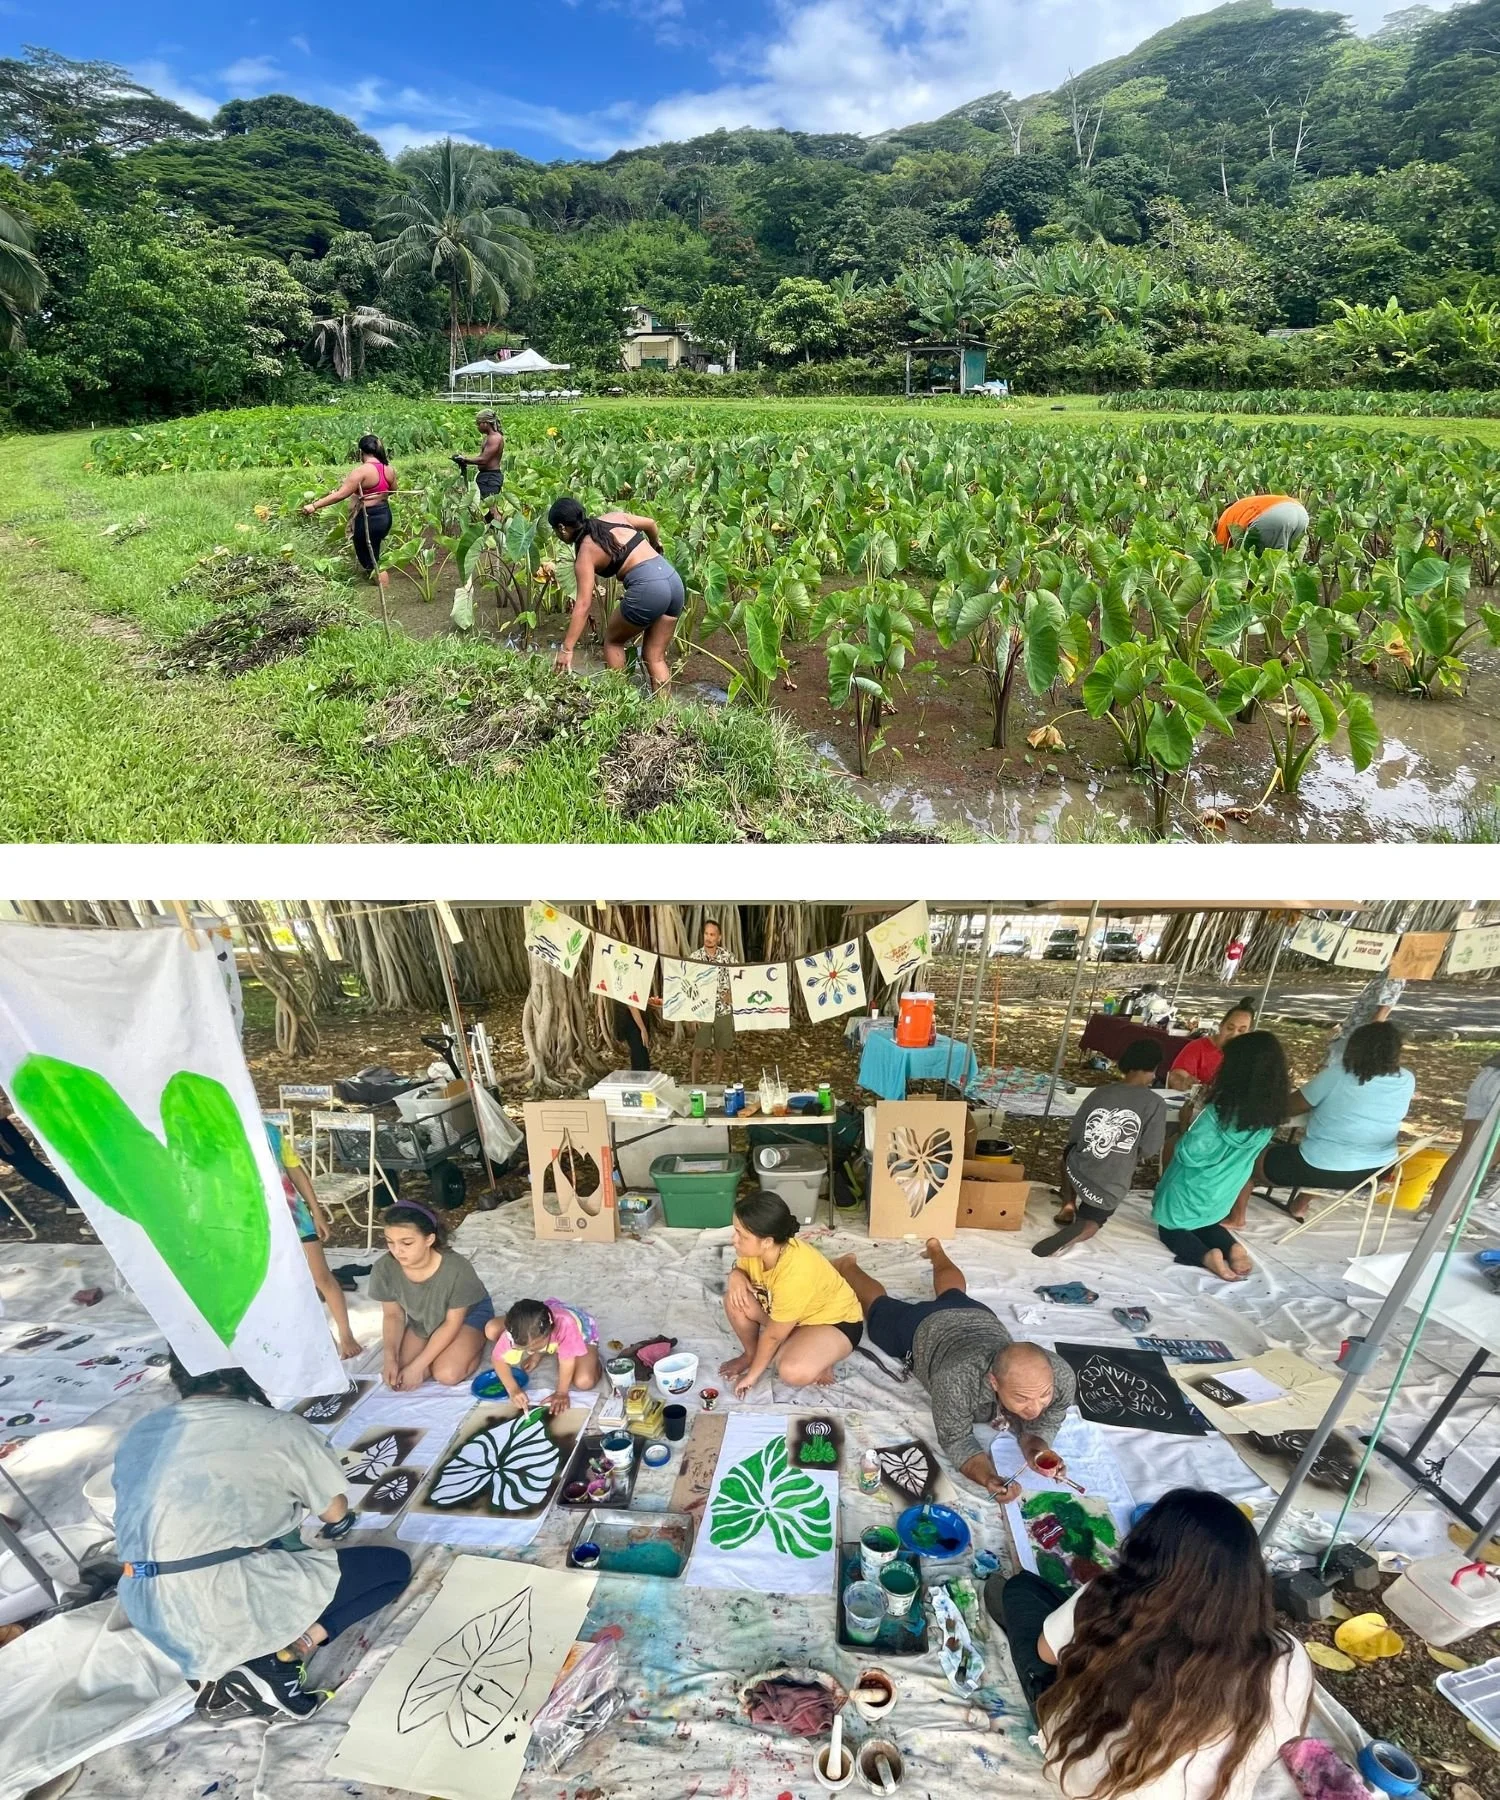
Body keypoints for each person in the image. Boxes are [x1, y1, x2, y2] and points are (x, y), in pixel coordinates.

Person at [113, 1356, 412, 1721]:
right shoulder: (277, 1426)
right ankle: (279, 1660)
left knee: (262, 1547)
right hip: (220, 1597)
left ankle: (220, 1667)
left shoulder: (142, 1431)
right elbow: (334, 1513)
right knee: (391, 1567)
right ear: (248, 1373)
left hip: (146, 1606)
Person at [988, 1487, 1313, 1800]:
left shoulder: (1109, 1601)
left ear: (1146, 1555)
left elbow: (1045, 1654)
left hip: (1088, 1778)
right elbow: (1278, 1743)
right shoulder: (1289, 1655)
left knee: (1021, 1591)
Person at [834, 1239, 1075, 1500]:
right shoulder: (957, 1380)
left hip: (977, 1316)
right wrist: (988, 1477)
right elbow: (957, 1439)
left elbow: (1045, 1421)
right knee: (877, 1306)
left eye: (1044, 1395)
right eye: (1022, 1398)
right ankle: (847, 1266)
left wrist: (1037, 1449)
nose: (1035, 1409)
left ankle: (936, 1251)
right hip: (922, 1327)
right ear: (993, 1381)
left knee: (955, 1295)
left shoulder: (1061, 1376)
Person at [1152, 1031, 1290, 1282]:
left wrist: (1184, 1127)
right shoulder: (1269, 1114)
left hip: (1194, 1184)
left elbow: (1190, 1154)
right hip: (1228, 1186)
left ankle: (1208, 1257)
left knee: (1170, 1228)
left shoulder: (1218, 1113)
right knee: (1205, 1221)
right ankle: (1233, 1249)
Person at [1245, 1021, 1415, 1223]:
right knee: (1333, 1153)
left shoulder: (1338, 1075)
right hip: (1378, 1171)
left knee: (1249, 1159)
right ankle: (1301, 1204)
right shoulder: (1407, 1079)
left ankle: (1236, 1216)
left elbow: (1289, 1107)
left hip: (1323, 1168)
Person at [720, 1193, 864, 1395]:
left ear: (767, 1242)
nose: (733, 1240)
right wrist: (735, 1275)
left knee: (792, 1371)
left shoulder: (796, 1272)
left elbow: (772, 1337)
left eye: (741, 1235)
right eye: (735, 1231)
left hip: (834, 1322)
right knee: (734, 1299)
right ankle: (752, 1354)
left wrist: (752, 1377)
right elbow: (742, 1271)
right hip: (792, 1317)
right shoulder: (756, 1252)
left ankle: (823, 1355)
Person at [1036, 1040, 1168, 1258]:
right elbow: (1149, 1149)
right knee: (1095, 1219)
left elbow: (1076, 1135)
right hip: (1111, 1182)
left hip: (1079, 1171)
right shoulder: (1155, 1103)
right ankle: (1080, 1230)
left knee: (1069, 1152)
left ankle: (1068, 1203)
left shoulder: (1100, 1093)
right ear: (1154, 1069)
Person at [548, 495, 686, 694]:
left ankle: (620, 701)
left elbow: (584, 604)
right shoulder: (614, 517)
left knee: (613, 641)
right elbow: (650, 523)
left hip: (649, 589)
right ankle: (663, 714)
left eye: (556, 531)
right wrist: (655, 544)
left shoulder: (586, 552)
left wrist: (567, 649)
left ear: (562, 528)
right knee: (655, 656)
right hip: (673, 580)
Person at [265, 1119, 362, 1360]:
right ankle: (317, 1336)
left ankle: (346, 1333)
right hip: (256, 1224)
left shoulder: (269, 1131)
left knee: (320, 1276)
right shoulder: (216, 1135)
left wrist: (316, 1212)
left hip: (293, 1216)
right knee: (280, 1283)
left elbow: (295, 1170)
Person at [370, 1203, 493, 1389]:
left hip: (467, 1316)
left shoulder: (457, 1269)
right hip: (423, 1319)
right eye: (390, 1242)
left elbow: (452, 1323)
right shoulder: (384, 1268)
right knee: (401, 1370)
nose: (397, 1250)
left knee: (446, 1373)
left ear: (429, 1239)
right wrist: (390, 1358)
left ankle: (475, 1341)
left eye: (407, 1243)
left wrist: (418, 1367)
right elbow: (393, 1315)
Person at [302, 435, 397, 602]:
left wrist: (314, 506)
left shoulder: (361, 471)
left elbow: (341, 495)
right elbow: (393, 490)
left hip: (369, 519)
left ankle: (384, 595)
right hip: (384, 515)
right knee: (373, 553)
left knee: (371, 559)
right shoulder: (388, 469)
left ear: (361, 452)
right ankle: (382, 589)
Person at [1419, 1048, 1500, 1218]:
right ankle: (1452, 1217)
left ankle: (1434, 1209)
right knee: (1487, 1155)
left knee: (1466, 1150)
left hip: (1489, 1075)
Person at [484, 1297, 602, 1414]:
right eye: (526, 1349)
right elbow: (498, 1359)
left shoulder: (566, 1324)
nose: (528, 1351)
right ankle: (540, 1349)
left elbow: (567, 1360)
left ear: (549, 1332)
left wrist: (561, 1393)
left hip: (581, 1332)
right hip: (537, 1320)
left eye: (534, 1348)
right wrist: (513, 1389)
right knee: (491, 1330)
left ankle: (592, 1355)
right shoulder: (514, 1333)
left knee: (585, 1381)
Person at [1167, 1003, 1255, 1095]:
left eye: (1241, 1031)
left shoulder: (1251, 1054)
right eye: (1230, 1028)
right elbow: (1177, 1075)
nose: (1234, 1034)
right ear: (1221, 1026)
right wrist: (1184, 1082)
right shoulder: (1198, 1047)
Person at [690, 917, 736, 1085]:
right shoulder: (695, 957)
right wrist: (693, 1013)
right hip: (702, 1009)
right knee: (698, 1050)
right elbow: (689, 985)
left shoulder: (727, 957)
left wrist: (732, 994)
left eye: (712, 934)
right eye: (706, 934)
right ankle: (694, 1083)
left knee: (720, 1049)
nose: (708, 938)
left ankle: (716, 1083)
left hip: (723, 1010)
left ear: (719, 937)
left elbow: (740, 978)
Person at [1326, 972, 1404, 1067]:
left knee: (1337, 1067)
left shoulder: (1395, 977)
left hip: (1356, 1036)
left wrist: (1369, 1042)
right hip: (1352, 1033)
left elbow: (1381, 1014)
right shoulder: (1390, 974)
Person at [1214, 494, 1310, 553]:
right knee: (1282, 563)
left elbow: (1222, 551)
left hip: (1274, 516)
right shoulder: (1245, 503)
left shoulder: (1225, 516)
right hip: (1301, 513)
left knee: (1258, 563)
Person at [452, 408, 505, 514]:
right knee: (484, 509)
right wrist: (464, 460)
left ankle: (498, 530)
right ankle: (491, 529)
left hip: (490, 478)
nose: (477, 427)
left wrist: (465, 459)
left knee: (491, 509)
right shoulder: (488, 437)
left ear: (485, 423)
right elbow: (482, 458)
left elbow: (484, 460)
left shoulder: (495, 438)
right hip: (485, 476)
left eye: (478, 424)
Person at [611, 998, 653, 1072]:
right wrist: (642, 1029)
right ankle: (640, 1078)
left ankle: (640, 1077)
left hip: (633, 1020)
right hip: (630, 1021)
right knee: (640, 1054)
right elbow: (632, 1006)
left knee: (640, 1052)